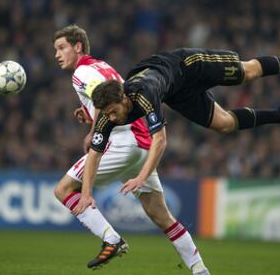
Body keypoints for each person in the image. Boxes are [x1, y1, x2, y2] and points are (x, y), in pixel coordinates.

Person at [53, 26, 210, 275]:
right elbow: (113, 96)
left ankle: (110, 239)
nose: (57, 54)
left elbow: (105, 99)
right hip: (142, 143)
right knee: (161, 216)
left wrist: (94, 130)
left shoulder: (81, 72)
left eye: (61, 48)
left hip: (122, 141)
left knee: (63, 189)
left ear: (78, 46)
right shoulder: (100, 65)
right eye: (55, 50)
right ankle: (200, 270)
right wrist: (89, 114)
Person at [82, 48, 280, 195]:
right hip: (176, 93)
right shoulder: (108, 113)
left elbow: (160, 140)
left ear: (125, 99)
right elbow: (94, 153)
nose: (113, 119)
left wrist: (142, 177)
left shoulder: (145, 95)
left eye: (115, 112)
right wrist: (85, 195)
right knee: (224, 124)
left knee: (248, 72)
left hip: (190, 66)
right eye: (108, 115)